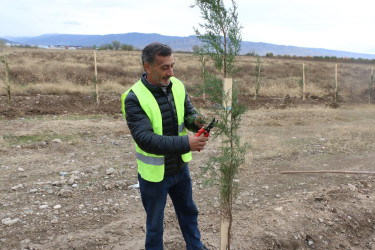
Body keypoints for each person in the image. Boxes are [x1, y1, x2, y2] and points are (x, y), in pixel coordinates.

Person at [121, 42, 209, 250]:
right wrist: (188, 142)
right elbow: (146, 139)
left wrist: (198, 122)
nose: (170, 72)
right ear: (147, 67)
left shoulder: (177, 85)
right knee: (154, 226)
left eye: (172, 66)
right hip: (154, 176)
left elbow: (188, 113)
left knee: (189, 213)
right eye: (164, 67)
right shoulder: (133, 98)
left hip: (179, 168)